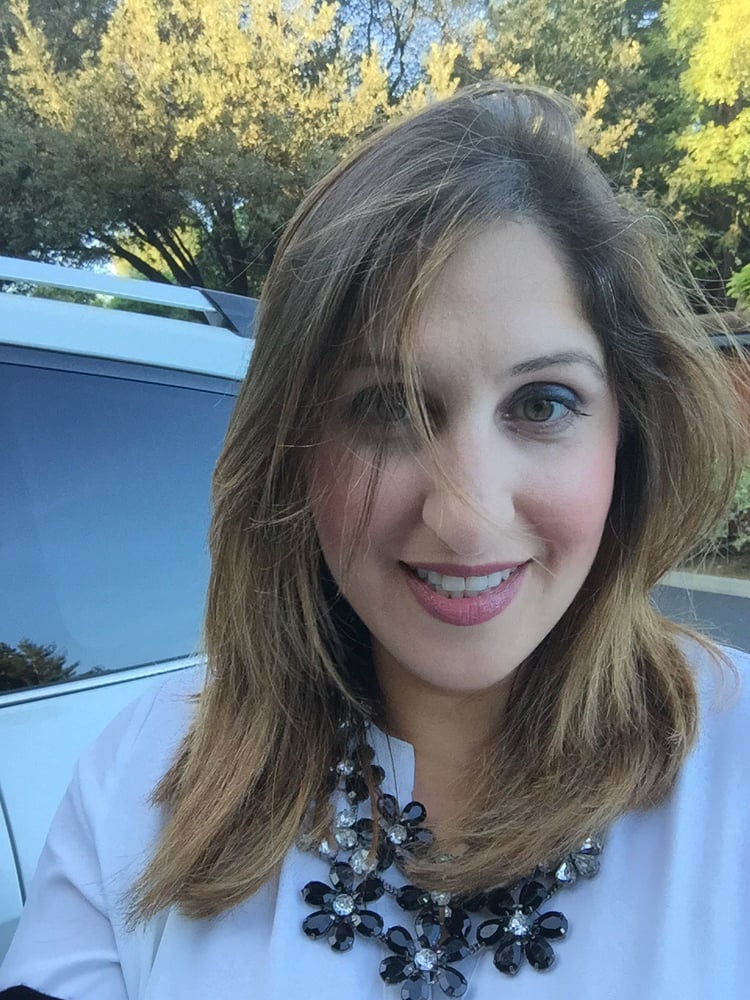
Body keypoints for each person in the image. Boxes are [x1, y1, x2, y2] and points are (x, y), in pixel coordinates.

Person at [1, 82, 748, 1000]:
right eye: (388, 408)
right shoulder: (139, 781)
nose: (466, 517)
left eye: (543, 404)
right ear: (294, 451)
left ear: (627, 437)